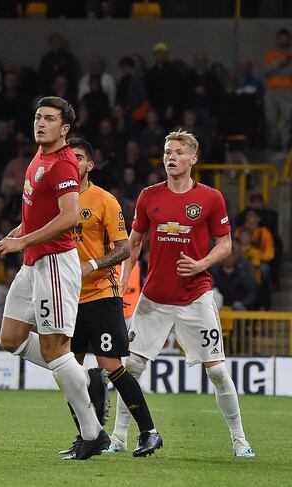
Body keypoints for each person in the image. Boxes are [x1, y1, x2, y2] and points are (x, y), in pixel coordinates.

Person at [115, 130, 255, 458]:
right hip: (154, 299)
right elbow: (134, 243)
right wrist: (124, 278)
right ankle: (118, 437)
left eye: (178, 152)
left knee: (218, 371)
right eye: (167, 152)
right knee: (130, 367)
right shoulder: (149, 196)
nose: (171, 157)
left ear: (193, 158)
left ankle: (239, 440)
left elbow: (226, 243)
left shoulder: (211, 198)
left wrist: (201, 263)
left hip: (195, 296)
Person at [0, 96, 109, 460]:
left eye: (49, 118)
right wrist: (18, 234)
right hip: (32, 263)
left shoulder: (62, 165)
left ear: (66, 128)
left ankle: (93, 434)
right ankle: (81, 374)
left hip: (56, 265)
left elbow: (69, 217)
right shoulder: (37, 158)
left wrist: (24, 240)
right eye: (38, 116)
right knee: (10, 339)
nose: (40, 123)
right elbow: (34, 213)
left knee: (55, 350)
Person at [62, 138, 161, 458]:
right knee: (67, 370)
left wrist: (90, 265)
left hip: (101, 294)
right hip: (65, 298)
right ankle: (88, 437)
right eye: (67, 156)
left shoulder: (104, 200)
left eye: (77, 157)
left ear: (90, 165)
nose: (71, 161)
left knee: (111, 365)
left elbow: (124, 248)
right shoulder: (56, 199)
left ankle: (150, 432)